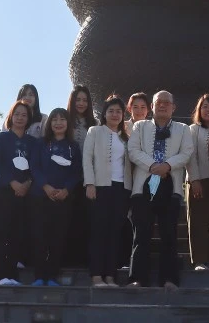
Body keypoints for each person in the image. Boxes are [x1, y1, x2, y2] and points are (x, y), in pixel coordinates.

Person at [127, 91, 195, 289]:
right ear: (153, 106)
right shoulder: (140, 126)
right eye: (159, 102)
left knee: (169, 235)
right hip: (144, 185)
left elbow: (187, 152)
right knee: (141, 235)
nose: (163, 106)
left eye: (167, 103)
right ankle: (137, 278)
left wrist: (167, 165)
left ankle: (169, 279)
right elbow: (133, 150)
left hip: (170, 185)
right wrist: (152, 165)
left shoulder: (183, 129)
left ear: (173, 107)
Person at [83, 96, 133, 287]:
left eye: (119, 111)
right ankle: (96, 276)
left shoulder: (125, 136)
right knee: (98, 232)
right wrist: (90, 183)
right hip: (100, 187)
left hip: (121, 188)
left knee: (114, 233)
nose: (115, 114)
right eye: (111, 111)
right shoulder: (95, 131)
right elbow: (87, 158)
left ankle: (110, 276)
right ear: (104, 113)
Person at [31, 107, 82, 286]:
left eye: (62, 119)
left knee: (57, 237)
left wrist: (66, 190)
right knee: (40, 237)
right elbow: (34, 167)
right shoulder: (40, 144)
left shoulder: (73, 147)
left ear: (67, 123)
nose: (58, 123)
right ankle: (39, 276)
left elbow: (76, 172)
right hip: (41, 196)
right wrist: (46, 187)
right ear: (49, 123)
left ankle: (52, 276)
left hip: (63, 199)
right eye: (54, 119)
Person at [0, 99, 37, 286]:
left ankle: (13, 275)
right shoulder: (2, 138)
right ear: (11, 116)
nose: (20, 118)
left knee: (17, 234)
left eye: (24, 115)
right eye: (17, 114)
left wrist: (26, 184)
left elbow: (35, 166)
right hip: (3, 192)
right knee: (1, 234)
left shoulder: (32, 142)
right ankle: (1, 276)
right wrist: (13, 182)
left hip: (24, 194)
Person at [185, 93, 209, 274]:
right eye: (205, 106)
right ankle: (199, 260)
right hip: (199, 181)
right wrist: (195, 180)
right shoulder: (193, 130)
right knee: (198, 222)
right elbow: (190, 156)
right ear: (199, 110)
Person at [118, 92, 152, 271]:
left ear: (149, 109)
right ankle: (123, 259)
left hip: (145, 181)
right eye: (135, 107)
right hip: (123, 180)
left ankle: (136, 262)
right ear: (129, 109)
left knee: (140, 223)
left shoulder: (153, 128)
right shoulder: (121, 127)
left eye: (143, 107)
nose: (139, 111)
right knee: (124, 221)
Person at [65, 85, 97, 268]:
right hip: (66, 177)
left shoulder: (94, 123)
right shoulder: (64, 120)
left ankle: (83, 259)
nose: (81, 103)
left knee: (85, 219)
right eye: (78, 99)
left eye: (85, 100)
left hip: (87, 179)